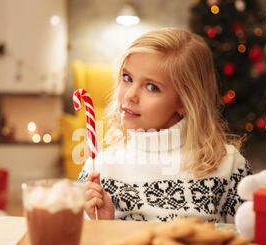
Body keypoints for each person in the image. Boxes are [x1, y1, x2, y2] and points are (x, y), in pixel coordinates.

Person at [78, 28, 251, 223]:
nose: (129, 95)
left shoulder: (228, 165)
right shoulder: (99, 170)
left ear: (185, 102)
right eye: (127, 78)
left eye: (152, 87)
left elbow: (247, 244)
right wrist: (105, 223)